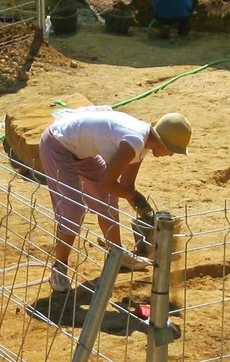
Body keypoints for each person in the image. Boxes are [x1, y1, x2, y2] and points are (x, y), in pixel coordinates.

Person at [40, 107, 190, 293]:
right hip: (58, 143)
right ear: (162, 142)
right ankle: (59, 267)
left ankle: (116, 255)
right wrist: (136, 198)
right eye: (173, 150)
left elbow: (126, 186)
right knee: (73, 209)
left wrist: (146, 213)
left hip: (81, 149)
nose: (172, 154)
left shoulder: (143, 144)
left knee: (108, 200)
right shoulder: (134, 141)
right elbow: (107, 182)